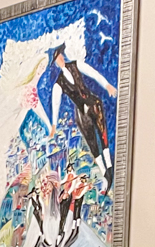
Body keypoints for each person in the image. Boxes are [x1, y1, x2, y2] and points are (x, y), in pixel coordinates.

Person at [46, 43, 117, 189]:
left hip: (92, 103)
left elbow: (93, 73)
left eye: (61, 55)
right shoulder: (58, 84)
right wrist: (53, 125)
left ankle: (109, 166)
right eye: (57, 58)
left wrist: (107, 85)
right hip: (81, 112)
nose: (61, 59)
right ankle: (104, 173)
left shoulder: (76, 65)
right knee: (92, 142)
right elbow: (56, 103)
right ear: (56, 63)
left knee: (102, 133)